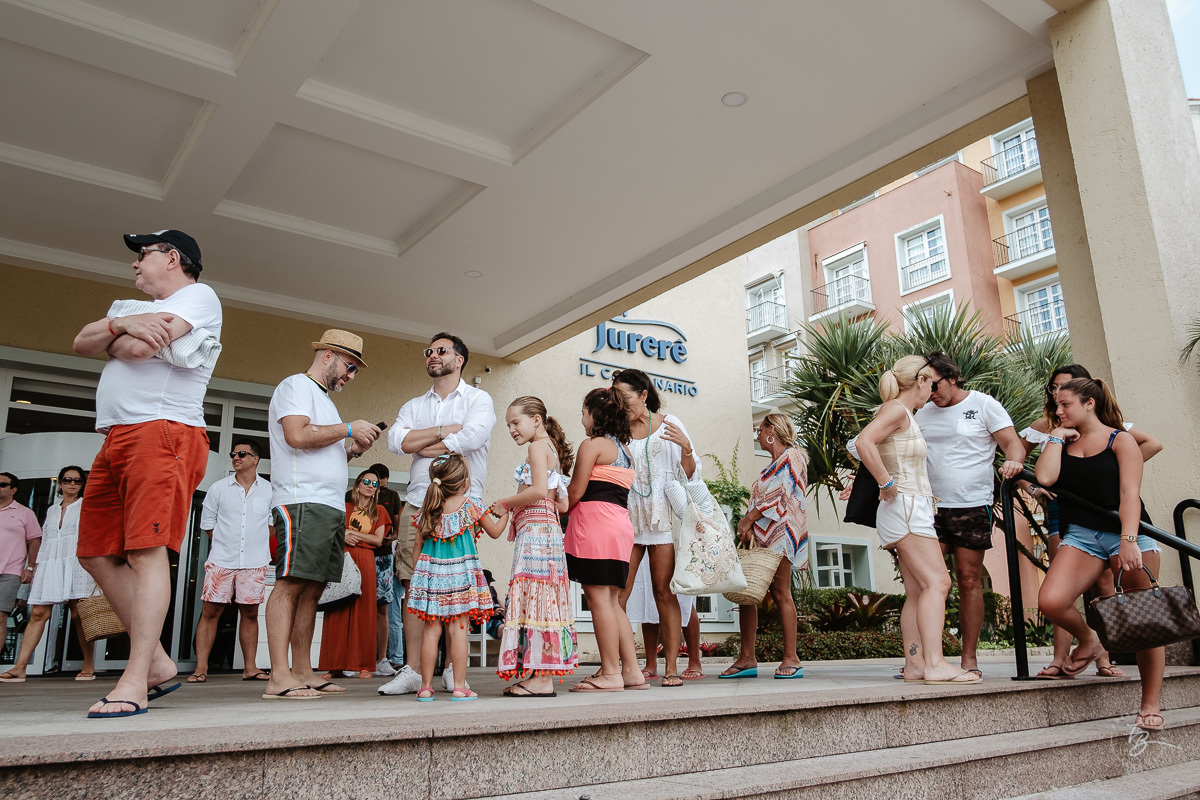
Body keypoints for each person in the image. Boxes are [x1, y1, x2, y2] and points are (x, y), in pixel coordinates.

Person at [71, 229, 220, 718]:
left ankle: (133, 680)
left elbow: (136, 352)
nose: (135, 265)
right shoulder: (130, 309)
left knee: (145, 551)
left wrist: (116, 333)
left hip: (164, 433)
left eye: (144, 255)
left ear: (172, 257)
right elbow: (80, 342)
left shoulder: (198, 296)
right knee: (93, 551)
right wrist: (123, 325)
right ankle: (154, 659)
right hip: (117, 436)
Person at [1034, 377, 1165, 731]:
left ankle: (1150, 704)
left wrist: (1128, 539)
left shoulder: (1119, 439)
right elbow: (1045, 478)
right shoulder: (1062, 440)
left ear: (1089, 404)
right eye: (1057, 405)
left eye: (1066, 405)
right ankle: (1091, 639)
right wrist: (1056, 438)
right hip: (1082, 536)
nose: (1058, 411)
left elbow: (1129, 493)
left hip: (1127, 534)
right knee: (1051, 600)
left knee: (1144, 622)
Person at [262, 330, 381, 701]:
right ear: (328, 355)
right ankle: (278, 675)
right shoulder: (296, 386)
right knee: (291, 584)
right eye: (349, 367)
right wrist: (348, 428)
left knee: (313, 589)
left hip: (326, 506)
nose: (350, 376)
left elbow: (316, 447)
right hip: (302, 502)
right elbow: (296, 436)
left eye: (356, 371)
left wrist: (349, 450)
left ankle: (302, 669)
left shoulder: (324, 401)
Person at [381, 333, 495, 696]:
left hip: (463, 506)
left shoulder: (479, 399)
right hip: (419, 502)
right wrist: (446, 431)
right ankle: (414, 670)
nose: (432, 356)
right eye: (428, 351)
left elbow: (474, 438)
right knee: (414, 584)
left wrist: (422, 444)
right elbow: (396, 442)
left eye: (441, 350)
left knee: (456, 588)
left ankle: (450, 671)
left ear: (459, 359)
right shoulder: (414, 404)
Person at [854, 356, 980, 685]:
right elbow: (863, 442)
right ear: (921, 381)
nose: (933, 391)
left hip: (907, 509)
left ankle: (915, 664)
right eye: (931, 384)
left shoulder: (901, 412)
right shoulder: (897, 410)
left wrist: (884, 480)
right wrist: (885, 482)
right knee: (938, 583)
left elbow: (873, 447)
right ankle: (935, 663)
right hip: (908, 509)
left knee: (917, 591)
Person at [916, 352, 1025, 678]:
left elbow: (1014, 445)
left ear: (951, 377)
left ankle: (969, 658)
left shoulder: (984, 404)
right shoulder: (922, 411)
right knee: (927, 581)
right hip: (930, 506)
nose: (929, 391)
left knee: (967, 579)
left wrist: (1014, 462)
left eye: (933, 383)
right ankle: (925, 659)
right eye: (922, 384)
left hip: (972, 505)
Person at [486, 396, 579, 696]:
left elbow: (539, 490)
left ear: (536, 419)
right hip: (547, 532)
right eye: (508, 425)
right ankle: (540, 674)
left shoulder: (537, 447)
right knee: (544, 600)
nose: (512, 429)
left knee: (536, 597)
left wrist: (505, 503)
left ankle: (541, 680)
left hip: (537, 535)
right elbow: (560, 502)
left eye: (516, 422)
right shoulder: (550, 448)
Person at [612, 369, 698, 688]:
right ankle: (622, 665)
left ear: (643, 395)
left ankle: (672, 666)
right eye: (616, 398)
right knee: (619, 594)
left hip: (661, 518)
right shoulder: (617, 431)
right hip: (628, 518)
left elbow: (690, 475)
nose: (621, 404)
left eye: (626, 398)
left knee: (664, 592)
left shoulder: (669, 424)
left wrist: (687, 449)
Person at [564, 388, 648, 692]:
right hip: (620, 526)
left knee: (598, 599)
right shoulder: (625, 450)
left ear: (595, 414)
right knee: (613, 601)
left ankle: (611, 672)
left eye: (583, 411)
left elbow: (575, 492)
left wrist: (548, 503)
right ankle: (632, 672)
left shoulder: (592, 445)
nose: (581, 417)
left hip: (595, 526)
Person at [406, 453, 501, 701]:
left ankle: (426, 687)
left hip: (433, 579)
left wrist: (423, 575)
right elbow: (495, 532)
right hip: (461, 579)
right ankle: (459, 686)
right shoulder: (470, 507)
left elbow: (417, 547)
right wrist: (506, 514)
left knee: (430, 632)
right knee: (458, 632)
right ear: (464, 483)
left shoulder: (429, 509)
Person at [724, 412, 810, 680]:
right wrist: (748, 526)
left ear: (772, 430)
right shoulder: (770, 466)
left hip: (782, 534)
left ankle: (791, 657)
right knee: (747, 592)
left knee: (781, 592)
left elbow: (779, 496)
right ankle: (747, 657)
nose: (758, 435)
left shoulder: (792, 457)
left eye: (760, 430)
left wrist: (748, 518)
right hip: (762, 536)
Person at [188, 442, 272, 683]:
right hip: (221, 561)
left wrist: (252, 544)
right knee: (210, 613)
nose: (236, 457)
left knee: (250, 615)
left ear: (255, 459)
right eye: (233, 453)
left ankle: (250, 668)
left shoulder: (269, 490)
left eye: (242, 454)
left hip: (255, 562)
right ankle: (200, 667)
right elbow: (208, 525)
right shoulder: (218, 488)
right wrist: (228, 544)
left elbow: (271, 526)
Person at [0, 467, 92, 682]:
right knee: (39, 614)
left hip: (76, 562)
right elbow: (45, 540)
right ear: (59, 483)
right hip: (50, 562)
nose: (72, 484)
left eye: (77, 481)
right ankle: (20, 666)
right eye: (67, 480)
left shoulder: (87, 506)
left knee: (78, 615)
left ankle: (88, 664)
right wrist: (36, 566)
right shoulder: (51, 510)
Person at [319, 469, 392, 680]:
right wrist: (344, 536)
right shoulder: (344, 507)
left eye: (375, 483)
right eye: (366, 481)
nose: (370, 485)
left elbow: (378, 540)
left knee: (365, 611)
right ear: (358, 484)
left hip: (366, 560)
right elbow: (331, 532)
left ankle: (364, 665)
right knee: (337, 608)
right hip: (342, 558)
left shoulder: (379, 511)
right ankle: (334, 666)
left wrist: (351, 533)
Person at [627, 561, 705, 681]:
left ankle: (694, 662)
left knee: (683, 600)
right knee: (647, 598)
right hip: (642, 545)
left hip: (673, 545)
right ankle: (651, 664)